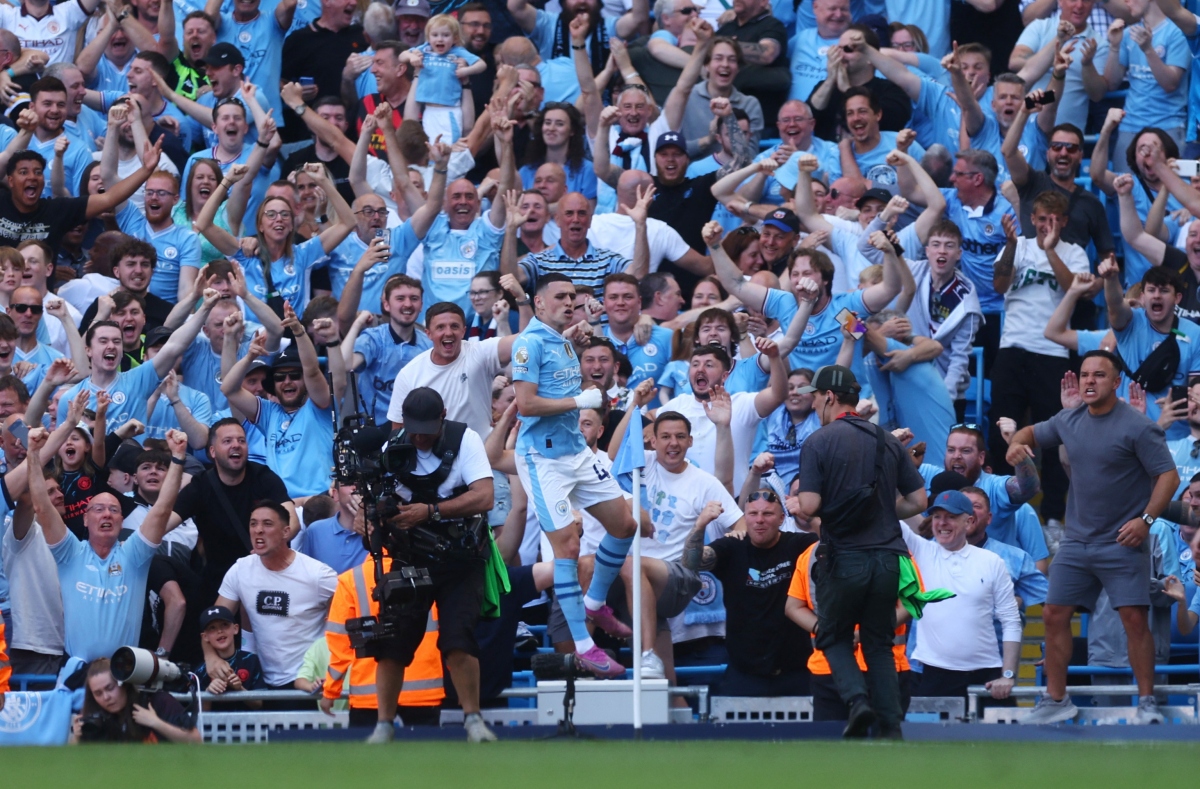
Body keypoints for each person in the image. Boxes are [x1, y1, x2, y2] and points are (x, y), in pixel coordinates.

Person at [1010, 350, 1179, 724]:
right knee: (1053, 614)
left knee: (1135, 619)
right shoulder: (1068, 420)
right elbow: (1028, 433)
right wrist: (1015, 446)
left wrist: (1145, 521)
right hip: (1076, 542)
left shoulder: (1137, 425)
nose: (1089, 381)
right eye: (1085, 375)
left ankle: (1147, 702)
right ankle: (1057, 701)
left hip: (1122, 540)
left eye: (1099, 375)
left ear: (1116, 382)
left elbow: (1169, 477)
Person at [511, 273, 639, 678]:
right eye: (561, 297)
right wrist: (578, 398)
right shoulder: (528, 343)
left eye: (573, 296)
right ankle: (584, 646)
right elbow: (526, 405)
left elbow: (573, 394)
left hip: (576, 452)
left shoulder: (564, 340)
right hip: (542, 459)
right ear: (539, 302)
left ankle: (595, 603)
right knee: (566, 546)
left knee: (625, 525)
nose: (570, 302)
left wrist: (587, 388)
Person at [795, 364, 928, 739]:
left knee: (833, 636)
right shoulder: (887, 441)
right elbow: (918, 500)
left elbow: (808, 504)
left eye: (815, 398)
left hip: (845, 558)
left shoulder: (818, 442)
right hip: (890, 560)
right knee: (879, 644)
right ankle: (891, 728)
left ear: (830, 398)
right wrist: (884, 509)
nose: (813, 405)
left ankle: (857, 702)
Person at [362, 387, 497, 743]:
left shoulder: (464, 440)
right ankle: (384, 724)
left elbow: (485, 496)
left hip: (460, 557)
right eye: (414, 428)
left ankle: (473, 720)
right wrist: (383, 514)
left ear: (443, 417)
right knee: (392, 638)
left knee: (458, 638)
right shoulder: (392, 447)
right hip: (410, 554)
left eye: (427, 428)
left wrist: (431, 511)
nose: (420, 437)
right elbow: (380, 498)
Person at [30, 426, 188, 661]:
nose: (106, 515)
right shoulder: (70, 553)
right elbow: (42, 507)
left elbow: (163, 509)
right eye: (99, 509)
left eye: (114, 510)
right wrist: (33, 455)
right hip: (77, 676)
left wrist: (178, 458)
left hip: (124, 674)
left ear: (121, 521)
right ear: (85, 518)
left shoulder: (135, 555)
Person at [988, 193, 1089, 522]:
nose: (1049, 225)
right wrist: (1011, 244)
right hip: (1013, 348)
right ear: (1033, 219)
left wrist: (1049, 249)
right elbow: (1000, 285)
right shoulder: (1018, 245)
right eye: (1043, 219)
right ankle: (1001, 511)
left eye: (1055, 219)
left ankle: (1053, 518)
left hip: (1053, 351)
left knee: (1059, 437)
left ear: (1064, 221)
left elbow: (1072, 288)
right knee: (1002, 428)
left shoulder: (1074, 253)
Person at [901, 490, 1022, 706]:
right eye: (937, 516)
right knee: (930, 741)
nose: (942, 523)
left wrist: (1008, 675)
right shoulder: (921, 551)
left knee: (1000, 740)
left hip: (988, 676)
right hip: (934, 675)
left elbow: (1011, 620)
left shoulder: (992, 561)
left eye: (951, 516)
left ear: (969, 521)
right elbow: (889, 517)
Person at [694, 487, 817, 695]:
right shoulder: (732, 547)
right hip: (745, 674)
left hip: (797, 671)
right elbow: (691, 562)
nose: (759, 520)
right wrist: (700, 526)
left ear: (781, 519)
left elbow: (837, 544)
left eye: (767, 514)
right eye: (753, 514)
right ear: (745, 518)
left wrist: (811, 518)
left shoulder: (798, 545)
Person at [206, 500, 338, 694]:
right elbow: (212, 622)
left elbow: (351, 610)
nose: (258, 530)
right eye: (253, 524)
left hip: (306, 682)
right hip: (260, 682)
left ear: (286, 532)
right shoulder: (240, 570)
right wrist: (211, 657)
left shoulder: (317, 574)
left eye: (267, 524)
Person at [170, 418, 298, 604]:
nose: (236, 446)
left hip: (267, 573)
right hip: (220, 582)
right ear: (212, 451)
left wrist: (270, 546)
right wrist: (176, 459)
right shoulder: (201, 485)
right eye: (227, 441)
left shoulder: (263, 476)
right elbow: (165, 522)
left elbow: (291, 520)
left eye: (241, 440)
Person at [221, 305, 336, 499]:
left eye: (294, 375)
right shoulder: (269, 413)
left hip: (319, 501)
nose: (287, 381)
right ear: (273, 386)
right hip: (283, 507)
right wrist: (250, 356)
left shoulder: (318, 406)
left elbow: (312, 369)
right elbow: (229, 389)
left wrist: (299, 332)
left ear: (305, 381)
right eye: (280, 377)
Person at [70, 658, 200, 743]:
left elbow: (196, 741)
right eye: (97, 693)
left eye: (110, 688)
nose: (106, 697)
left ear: (124, 684)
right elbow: (76, 766)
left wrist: (156, 723)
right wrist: (76, 738)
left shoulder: (158, 701)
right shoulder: (96, 717)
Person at [297, 481, 369, 575]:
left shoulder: (379, 529)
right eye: (348, 483)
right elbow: (307, 574)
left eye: (360, 483)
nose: (355, 488)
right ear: (335, 494)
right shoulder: (315, 531)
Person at [191, 605, 266, 694]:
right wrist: (208, 692)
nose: (219, 631)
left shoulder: (251, 660)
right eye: (212, 628)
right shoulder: (201, 670)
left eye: (224, 625)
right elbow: (199, 707)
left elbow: (259, 704)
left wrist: (239, 688)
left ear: (235, 628)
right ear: (205, 637)